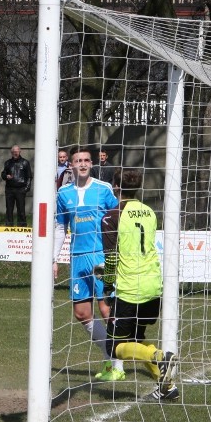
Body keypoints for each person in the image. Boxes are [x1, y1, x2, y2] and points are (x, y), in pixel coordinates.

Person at [95, 168, 179, 401]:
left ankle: (158, 356)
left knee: (114, 348)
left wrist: (107, 286)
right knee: (135, 338)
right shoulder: (149, 212)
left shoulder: (111, 216)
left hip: (130, 288)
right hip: (153, 284)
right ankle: (167, 386)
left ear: (115, 187)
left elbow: (111, 258)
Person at [52, 145, 118, 381]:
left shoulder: (103, 189)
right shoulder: (63, 194)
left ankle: (116, 364)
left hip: (100, 255)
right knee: (81, 313)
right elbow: (60, 228)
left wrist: (116, 249)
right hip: (78, 258)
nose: (82, 164)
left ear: (92, 164)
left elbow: (117, 216)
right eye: (78, 160)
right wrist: (54, 259)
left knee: (106, 309)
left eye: (86, 160)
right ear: (70, 165)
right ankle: (110, 355)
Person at [0, 144, 32, 227]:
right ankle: (9, 226)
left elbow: (29, 176)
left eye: (17, 151)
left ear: (20, 151)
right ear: (11, 152)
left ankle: (22, 227)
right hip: (9, 189)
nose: (15, 153)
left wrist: (26, 188)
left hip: (21, 189)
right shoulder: (7, 163)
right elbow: (3, 174)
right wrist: (6, 176)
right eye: (14, 151)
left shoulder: (25, 162)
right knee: (9, 209)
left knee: (21, 210)